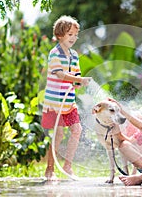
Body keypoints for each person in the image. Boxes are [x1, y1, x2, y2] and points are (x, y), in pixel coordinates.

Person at [41, 15, 91, 181]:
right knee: (59, 135)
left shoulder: (74, 55)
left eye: (75, 35)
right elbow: (61, 75)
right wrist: (78, 80)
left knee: (77, 130)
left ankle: (68, 166)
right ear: (60, 35)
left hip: (69, 101)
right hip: (55, 102)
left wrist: (78, 82)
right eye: (70, 34)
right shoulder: (55, 53)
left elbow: (75, 73)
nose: (74, 38)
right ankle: (50, 169)